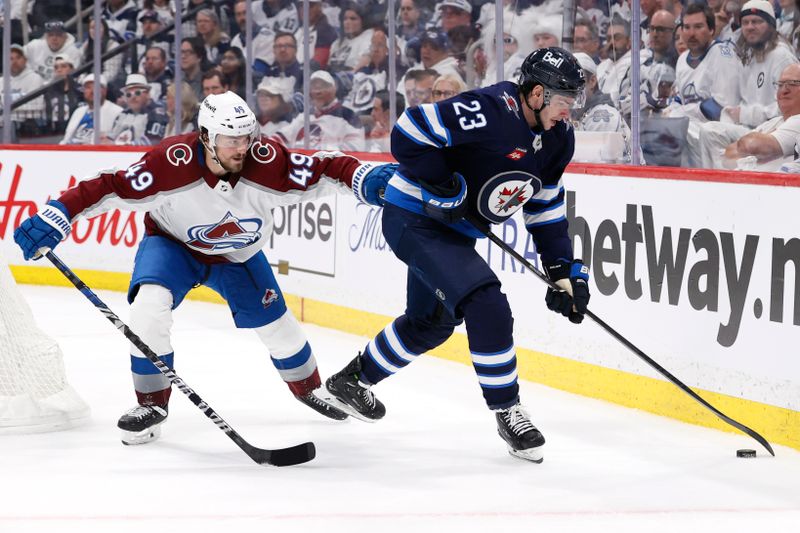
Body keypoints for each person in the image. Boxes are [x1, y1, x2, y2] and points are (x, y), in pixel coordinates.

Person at [13, 91, 396, 445]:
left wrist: (362, 177)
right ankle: (151, 403)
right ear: (206, 137)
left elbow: (326, 168)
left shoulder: (268, 161)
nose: (242, 147)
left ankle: (310, 388)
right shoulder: (170, 162)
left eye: (247, 137)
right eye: (232, 139)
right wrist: (58, 213)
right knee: (148, 308)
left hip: (238, 254)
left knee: (279, 328)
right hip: (172, 245)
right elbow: (111, 186)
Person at [324, 47, 591, 463]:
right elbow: (409, 130)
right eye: (564, 101)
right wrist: (443, 183)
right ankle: (508, 410)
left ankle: (352, 380)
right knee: (486, 303)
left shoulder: (559, 138)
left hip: (455, 232)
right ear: (537, 94)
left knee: (429, 324)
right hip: (413, 216)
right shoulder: (489, 109)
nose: (567, 112)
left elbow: (544, 207)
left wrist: (561, 270)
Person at [698, 63, 800, 169]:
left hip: (768, 183)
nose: (784, 90)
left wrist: (751, 148)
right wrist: (754, 149)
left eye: (793, 83)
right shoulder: (774, 122)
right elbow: (728, 155)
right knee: (710, 130)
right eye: (780, 85)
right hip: (747, 179)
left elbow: (751, 145)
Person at [104, 73, 169, 146]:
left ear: (147, 94)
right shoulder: (123, 114)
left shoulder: (157, 113)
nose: (133, 97)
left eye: (137, 93)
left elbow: (153, 141)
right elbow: (111, 138)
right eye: (128, 94)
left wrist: (126, 146)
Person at [59, 74, 123, 145]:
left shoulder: (117, 112)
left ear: (105, 91)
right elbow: (66, 139)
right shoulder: (79, 111)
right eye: (88, 87)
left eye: (96, 87)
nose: (92, 91)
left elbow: (119, 143)